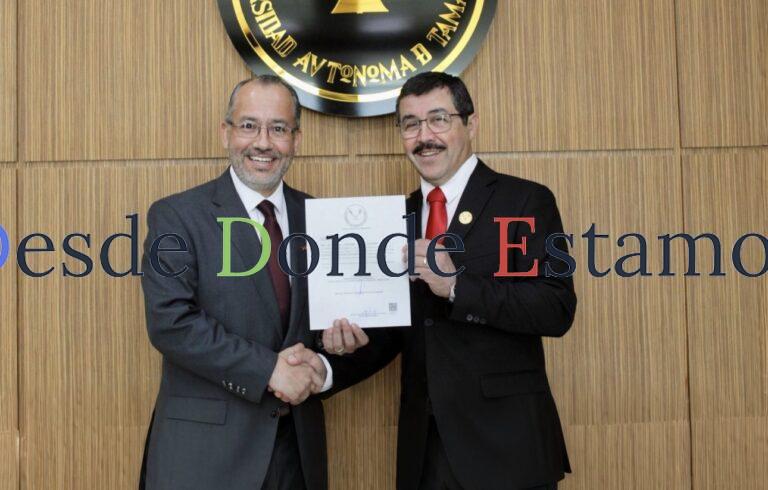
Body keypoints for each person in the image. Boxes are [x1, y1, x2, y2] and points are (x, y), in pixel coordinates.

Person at [321, 72, 577, 490]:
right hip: (426, 451)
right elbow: (394, 331)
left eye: (439, 119)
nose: (425, 137)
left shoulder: (525, 201)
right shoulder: (394, 219)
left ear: (470, 124)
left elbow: (556, 308)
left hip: (508, 448)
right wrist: (330, 363)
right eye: (411, 124)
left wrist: (457, 286)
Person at [139, 75, 365, 490]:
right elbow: (170, 323)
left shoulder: (320, 218)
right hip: (205, 459)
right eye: (249, 126)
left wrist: (333, 350)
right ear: (225, 133)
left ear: (296, 140)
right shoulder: (177, 216)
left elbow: (326, 324)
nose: (263, 142)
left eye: (278, 128)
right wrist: (268, 370)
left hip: (296, 454)